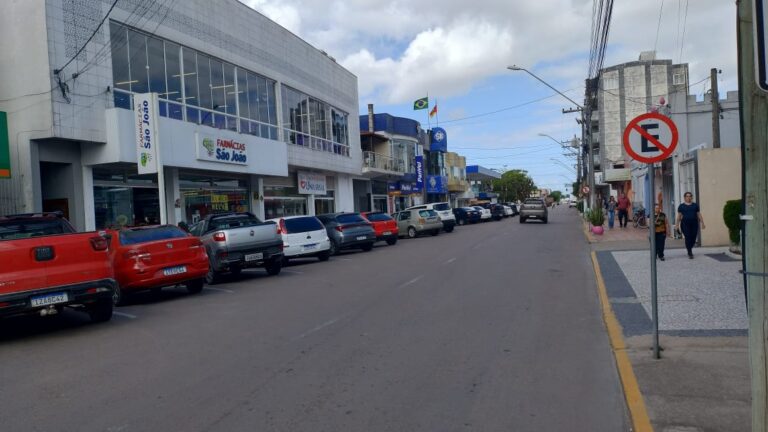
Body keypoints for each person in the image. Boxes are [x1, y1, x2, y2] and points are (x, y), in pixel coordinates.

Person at [675, 192, 706, 259]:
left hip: (694, 224)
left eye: (690, 196)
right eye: (687, 196)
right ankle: (690, 252)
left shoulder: (695, 205)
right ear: (684, 197)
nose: (688, 197)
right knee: (688, 237)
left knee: (693, 238)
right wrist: (677, 225)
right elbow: (679, 216)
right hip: (685, 224)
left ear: (692, 197)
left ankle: (689, 247)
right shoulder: (681, 206)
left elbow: (698, 214)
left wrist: (702, 223)